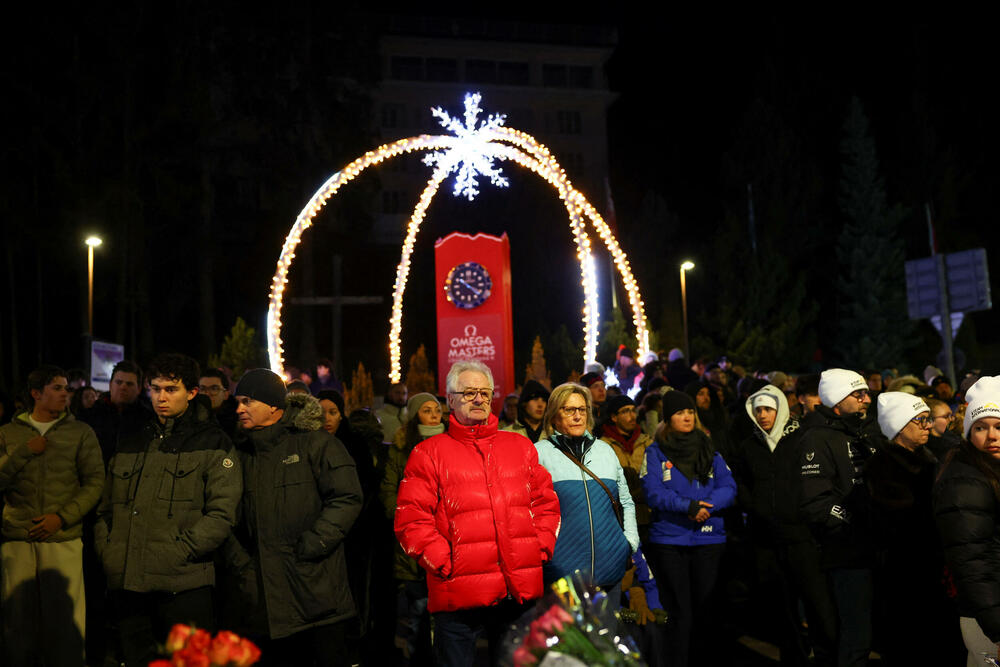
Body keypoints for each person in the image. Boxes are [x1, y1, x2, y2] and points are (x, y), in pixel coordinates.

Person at [394, 360, 560, 666]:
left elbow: (546, 504)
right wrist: (445, 563)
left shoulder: (519, 446)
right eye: (469, 392)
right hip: (458, 597)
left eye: (485, 392)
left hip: (516, 592)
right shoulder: (428, 453)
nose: (479, 399)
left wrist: (539, 548)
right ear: (451, 399)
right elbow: (411, 520)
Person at [94, 354, 241, 667]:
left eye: (171, 389)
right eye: (156, 388)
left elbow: (222, 513)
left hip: (184, 584)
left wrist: (181, 551)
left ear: (191, 392)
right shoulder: (134, 438)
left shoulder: (214, 442)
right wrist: (109, 549)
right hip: (129, 583)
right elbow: (106, 506)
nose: (161, 397)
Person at [226, 369, 363, 666]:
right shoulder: (240, 453)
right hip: (264, 597)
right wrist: (243, 564)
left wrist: (314, 543)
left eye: (248, 401)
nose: (239, 409)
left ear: (274, 405)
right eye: (238, 402)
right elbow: (228, 517)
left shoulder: (316, 444)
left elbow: (347, 497)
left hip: (317, 591)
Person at [0, 365, 105, 666]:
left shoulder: (80, 432)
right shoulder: (7, 433)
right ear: (36, 393)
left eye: (66, 388)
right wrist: (23, 453)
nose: (65, 394)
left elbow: (95, 482)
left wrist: (61, 517)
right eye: (57, 388)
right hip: (18, 538)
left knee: (65, 624)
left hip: (62, 538)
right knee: (17, 622)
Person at [731, 384, 836, 666]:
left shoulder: (801, 438)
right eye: (758, 410)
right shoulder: (749, 445)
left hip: (802, 535)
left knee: (817, 603)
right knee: (782, 607)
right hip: (767, 538)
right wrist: (753, 506)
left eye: (768, 409)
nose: (763, 415)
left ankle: (828, 655)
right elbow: (740, 482)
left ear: (780, 409)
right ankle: (794, 657)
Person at [642, 390, 736, 667]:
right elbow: (653, 492)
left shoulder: (709, 447)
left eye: (690, 412)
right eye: (680, 413)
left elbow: (729, 486)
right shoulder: (655, 452)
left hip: (708, 539)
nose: (687, 416)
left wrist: (708, 505)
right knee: (679, 611)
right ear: (667, 419)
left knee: (706, 609)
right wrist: (688, 506)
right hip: (671, 540)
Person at [866, 392, 961, 666]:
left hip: (933, 570)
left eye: (928, 419)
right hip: (905, 574)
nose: (928, 425)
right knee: (911, 644)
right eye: (919, 420)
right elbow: (900, 522)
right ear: (898, 426)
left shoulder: (929, 458)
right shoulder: (882, 467)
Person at [797, 369, 880, 667]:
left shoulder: (862, 432)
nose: (866, 400)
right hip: (845, 553)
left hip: (871, 549)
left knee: (868, 635)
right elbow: (817, 501)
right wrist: (853, 519)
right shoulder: (817, 438)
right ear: (836, 400)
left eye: (866, 393)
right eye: (858, 394)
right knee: (854, 638)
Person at [534, 383, 638, 595]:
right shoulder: (538, 454)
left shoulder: (605, 451)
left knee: (608, 628)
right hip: (560, 574)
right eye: (569, 410)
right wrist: (542, 554)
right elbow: (529, 511)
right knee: (564, 630)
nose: (577, 416)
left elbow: (626, 501)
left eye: (582, 409)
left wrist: (629, 543)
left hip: (610, 569)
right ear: (554, 415)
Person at [934, 376, 1000, 665]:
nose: (992, 435)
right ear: (968, 433)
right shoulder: (965, 480)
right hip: (989, 617)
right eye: (980, 427)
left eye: (999, 426)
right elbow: (972, 563)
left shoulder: (993, 470)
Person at [380, 392, 444, 664]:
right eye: (426, 410)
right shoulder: (401, 447)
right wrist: (407, 522)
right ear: (415, 414)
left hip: (446, 535)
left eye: (437, 410)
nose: (434, 415)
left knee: (443, 609)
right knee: (416, 607)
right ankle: (413, 657)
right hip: (413, 537)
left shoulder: (449, 444)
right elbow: (389, 490)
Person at [79, 360, 152, 466]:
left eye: (129, 384)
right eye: (119, 382)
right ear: (110, 385)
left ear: (139, 389)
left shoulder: (148, 419)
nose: (123, 387)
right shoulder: (90, 416)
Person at [599, 394, 653, 539]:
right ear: (614, 417)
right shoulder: (603, 446)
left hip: (647, 514)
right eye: (625, 411)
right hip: (618, 516)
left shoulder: (647, 442)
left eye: (633, 410)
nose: (632, 415)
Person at [502, 379, 549, 444]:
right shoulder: (507, 434)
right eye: (535, 399)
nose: (540, 405)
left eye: (544, 400)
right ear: (524, 404)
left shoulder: (552, 434)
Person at [199, 368, 239, 438]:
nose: (207, 394)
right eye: (203, 389)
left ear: (226, 394)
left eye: (214, 389)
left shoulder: (237, 423)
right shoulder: (189, 418)